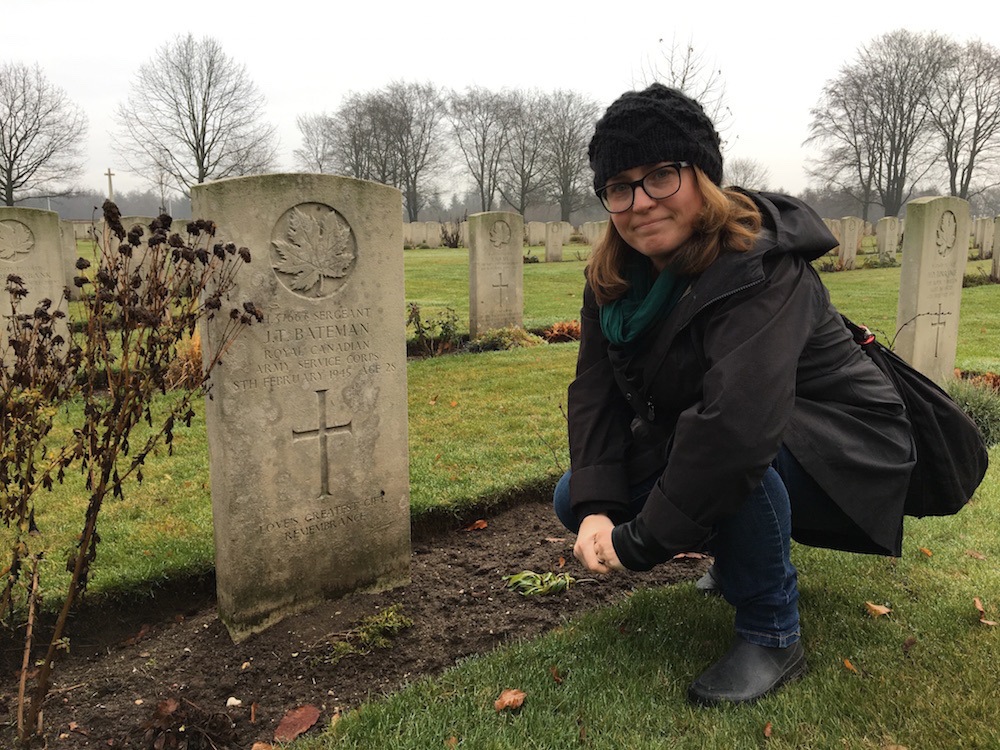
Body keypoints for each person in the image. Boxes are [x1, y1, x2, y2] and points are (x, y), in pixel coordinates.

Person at [553, 84, 915, 706]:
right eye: (619, 186)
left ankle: (773, 631)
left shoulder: (761, 265)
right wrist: (594, 507)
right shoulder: (613, 277)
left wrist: (642, 541)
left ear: (704, 176)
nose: (640, 202)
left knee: (732, 457)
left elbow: (737, 428)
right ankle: (737, 555)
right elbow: (595, 393)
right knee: (574, 494)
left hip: (845, 443)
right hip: (749, 433)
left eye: (661, 175)